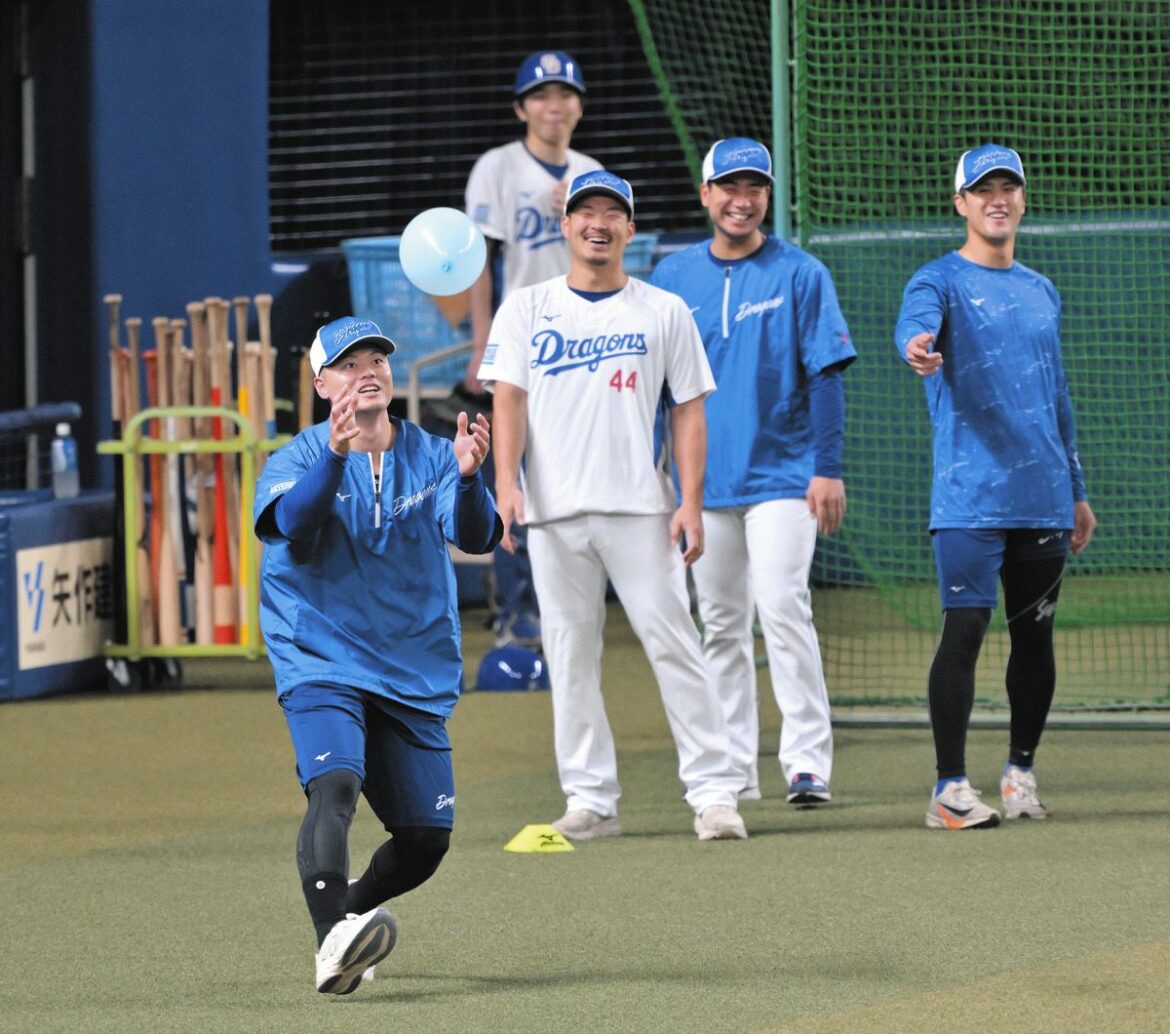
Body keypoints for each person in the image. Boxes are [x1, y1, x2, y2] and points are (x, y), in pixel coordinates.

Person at [478, 169, 748, 842]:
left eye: (611, 212)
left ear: (631, 228)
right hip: (553, 512)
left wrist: (690, 501)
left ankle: (715, 795)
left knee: (676, 645)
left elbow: (688, 410)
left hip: (640, 509)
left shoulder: (662, 310)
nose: (597, 223)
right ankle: (590, 799)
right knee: (569, 654)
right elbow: (506, 399)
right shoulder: (526, 307)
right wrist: (506, 486)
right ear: (565, 225)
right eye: (584, 212)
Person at [254, 315, 501, 993]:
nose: (367, 370)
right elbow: (294, 525)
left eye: (377, 359)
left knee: (425, 843)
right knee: (336, 786)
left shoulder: (429, 452)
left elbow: (475, 537)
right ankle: (332, 941)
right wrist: (335, 457)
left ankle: (347, 917)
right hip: (320, 654)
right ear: (322, 381)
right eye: (348, 362)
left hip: (410, 663)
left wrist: (473, 479)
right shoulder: (299, 457)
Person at [894, 143, 1097, 830]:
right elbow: (913, 327)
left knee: (1035, 641)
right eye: (983, 189)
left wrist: (1075, 488)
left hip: (1042, 494)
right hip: (969, 496)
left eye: (1008, 186)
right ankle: (950, 790)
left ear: (1022, 199)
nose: (997, 199)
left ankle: (1019, 773)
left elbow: (1058, 394)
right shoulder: (938, 281)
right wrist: (918, 347)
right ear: (961, 203)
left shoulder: (1042, 289)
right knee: (965, 630)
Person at [650, 138, 856, 806]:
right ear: (706, 194)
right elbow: (658, 391)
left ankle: (805, 763)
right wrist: (665, 484)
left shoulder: (801, 273)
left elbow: (827, 377)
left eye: (755, 189)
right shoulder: (673, 278)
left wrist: (827, 469)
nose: (742, 201)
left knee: (784, 607)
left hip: (784, 477)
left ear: (767, 196)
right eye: (729, 188)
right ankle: (735, 766)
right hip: (703, 484)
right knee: (721, 623)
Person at [461, 50, 602, 648]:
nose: (554, 105)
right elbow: (479, 262)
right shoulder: (497, 166)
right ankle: (517, 609)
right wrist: (479, 343)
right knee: (511, 467)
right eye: (541, 95)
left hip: (582, 336)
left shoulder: (591, 171)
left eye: (564, 94)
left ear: (578, 106)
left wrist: (577, 213)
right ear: (522, 107)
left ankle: (574, 599)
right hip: (519, 335)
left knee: (579, 466)